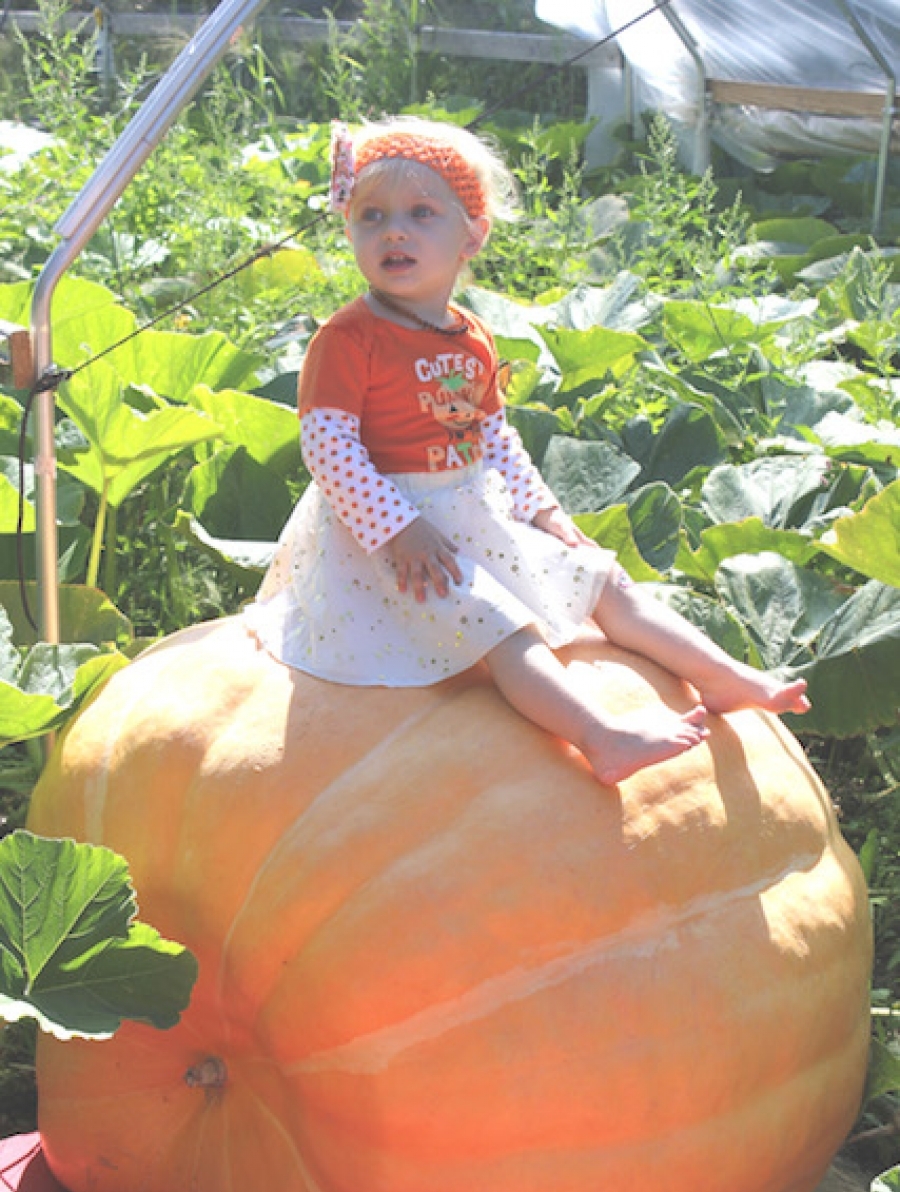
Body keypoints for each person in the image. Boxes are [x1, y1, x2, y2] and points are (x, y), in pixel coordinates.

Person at [244, 115, 809, 786]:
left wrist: (542, 510)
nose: (393, 230)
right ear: (350, 231)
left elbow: (492, 436)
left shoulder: (472, 336)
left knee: (604, 578)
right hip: (389, 537)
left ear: (470, 235)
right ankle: (601, 736)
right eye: (371, 216)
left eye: (421, 213)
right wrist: (398, 529)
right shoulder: (348, 338)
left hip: (469, 514)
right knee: (504, 628)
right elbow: (330, 448)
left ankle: (720, 675)